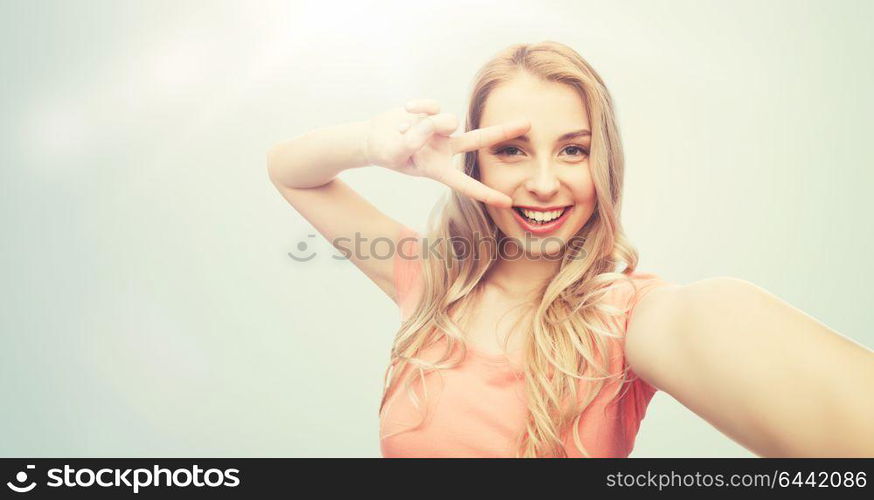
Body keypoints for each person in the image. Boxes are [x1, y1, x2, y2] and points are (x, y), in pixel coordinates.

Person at [266, 41, 874, 458]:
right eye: (512, 150)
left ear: (602, 162)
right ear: (471, 160)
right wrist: (373, 144)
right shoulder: (429, 279)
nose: (544, 182)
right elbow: (290, 171)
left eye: (572, 150)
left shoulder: (633, 317)